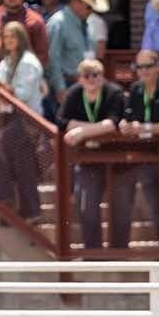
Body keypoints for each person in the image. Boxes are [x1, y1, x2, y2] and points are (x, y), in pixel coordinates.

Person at [114, 49, 159, 246]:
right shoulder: (136, 89)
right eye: (139, 67)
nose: (143, 71)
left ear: (158, 67)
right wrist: (124, 125)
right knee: (154, 204)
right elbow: (128, 118)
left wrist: (146, 127)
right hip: (145, 156)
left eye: (148, 66)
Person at [0, 21, 48, 222]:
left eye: (13, 36)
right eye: (5, 37)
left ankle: (4, 199)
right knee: (23, 164)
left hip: (29, 118)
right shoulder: (7, 61)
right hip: (11, 117)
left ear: (22, 39)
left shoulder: (28, 62)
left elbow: (22, 94)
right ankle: (32, 211)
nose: (9, 41)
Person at [59, 58, 126, 248]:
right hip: (86, 160)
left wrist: (81, 132)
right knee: (86, 206)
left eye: (95, 75)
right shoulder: (73, 94)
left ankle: (120, 253)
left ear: (102, 77)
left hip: (117, 159)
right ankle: (92, 252)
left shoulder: (114, 92)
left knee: (120, 208)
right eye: (86, 75)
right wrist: (95, 129)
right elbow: (63, 122)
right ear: (79, 79)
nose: (91, 79)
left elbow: (113, 122)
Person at [46, 0, 105, 98]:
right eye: (89, 7)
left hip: (89, 84)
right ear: (76, 2)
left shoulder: (90, 23)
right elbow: (53, 59)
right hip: (67, 84)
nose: (91, 11)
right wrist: (60, 89)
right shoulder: (58, 23)